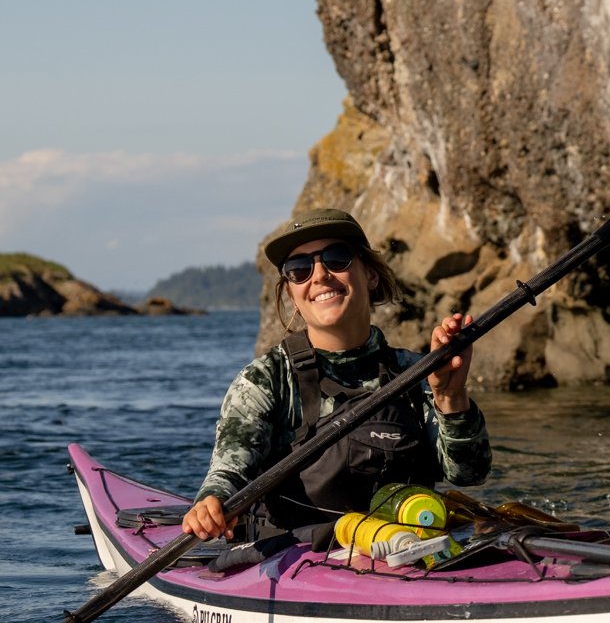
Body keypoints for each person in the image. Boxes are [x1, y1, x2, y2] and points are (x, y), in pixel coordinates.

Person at [182, 208, 491, 545]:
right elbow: (230, 471)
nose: (319, 276)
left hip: (408, 551)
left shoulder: (417, 373)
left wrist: (451, 398)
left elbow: (469, 474)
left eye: (336, 258)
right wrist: (210, 501)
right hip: (298, 559)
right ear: (291, 293)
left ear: (371, 274)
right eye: (298, 269)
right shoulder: (266, 379)